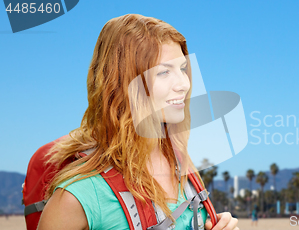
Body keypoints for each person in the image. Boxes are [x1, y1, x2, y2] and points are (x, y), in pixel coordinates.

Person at [37, 14, 238, 230]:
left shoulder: (183, 168)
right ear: (124, 84)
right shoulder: (78, 196)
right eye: (163, 72)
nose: (184, 84)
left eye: (182, 69)